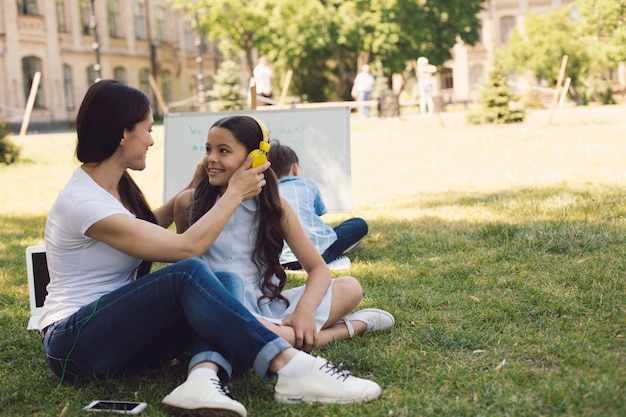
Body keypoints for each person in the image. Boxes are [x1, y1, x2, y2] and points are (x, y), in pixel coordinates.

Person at [40, 80, 383, 417]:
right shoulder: (83, 201)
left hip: (121, 336)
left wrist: (195, 189)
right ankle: (292, 367)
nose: (151, 139)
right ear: (122, 134)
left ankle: (203, 379)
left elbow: (147, 229)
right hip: (73, 344)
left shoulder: (117, 189)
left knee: (223, 281)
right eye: (147, 129)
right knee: (189, 272)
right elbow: (186, 247)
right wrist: (234, 192)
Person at [173, 115, 394, 353]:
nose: (211, 159)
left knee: (350, 288)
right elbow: (185, 272)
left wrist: (304, 312)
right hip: (214, 305)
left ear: (254, 158)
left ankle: (270, 334)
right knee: (232, 320)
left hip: (266, 308)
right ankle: (343, 330)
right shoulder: (188, 202)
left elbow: (319, 269)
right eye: (208, 149)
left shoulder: (274, 205)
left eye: (223, 151)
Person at [267, 140, 368, 271]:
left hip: (283, 260)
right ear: (295, 168)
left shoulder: (268, 193)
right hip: (319, 255)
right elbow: (316, 213)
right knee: (359, 224)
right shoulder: (309, 185)